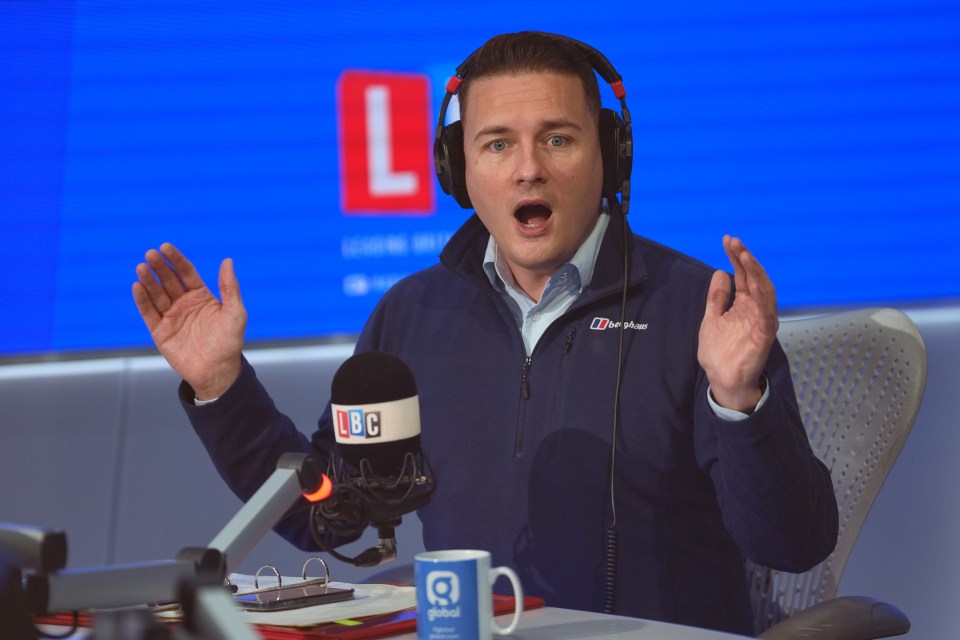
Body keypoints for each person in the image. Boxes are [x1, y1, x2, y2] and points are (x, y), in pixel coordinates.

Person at [133, 31, 838, 635]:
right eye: (496, 144)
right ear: (459, 170)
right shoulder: (412, 315)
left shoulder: (698, 309)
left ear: (609, 157)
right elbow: (332, 515)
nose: (527, 167)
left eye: (557, 139)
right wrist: (222, 389)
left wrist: (740, 399)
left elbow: (792, 543)